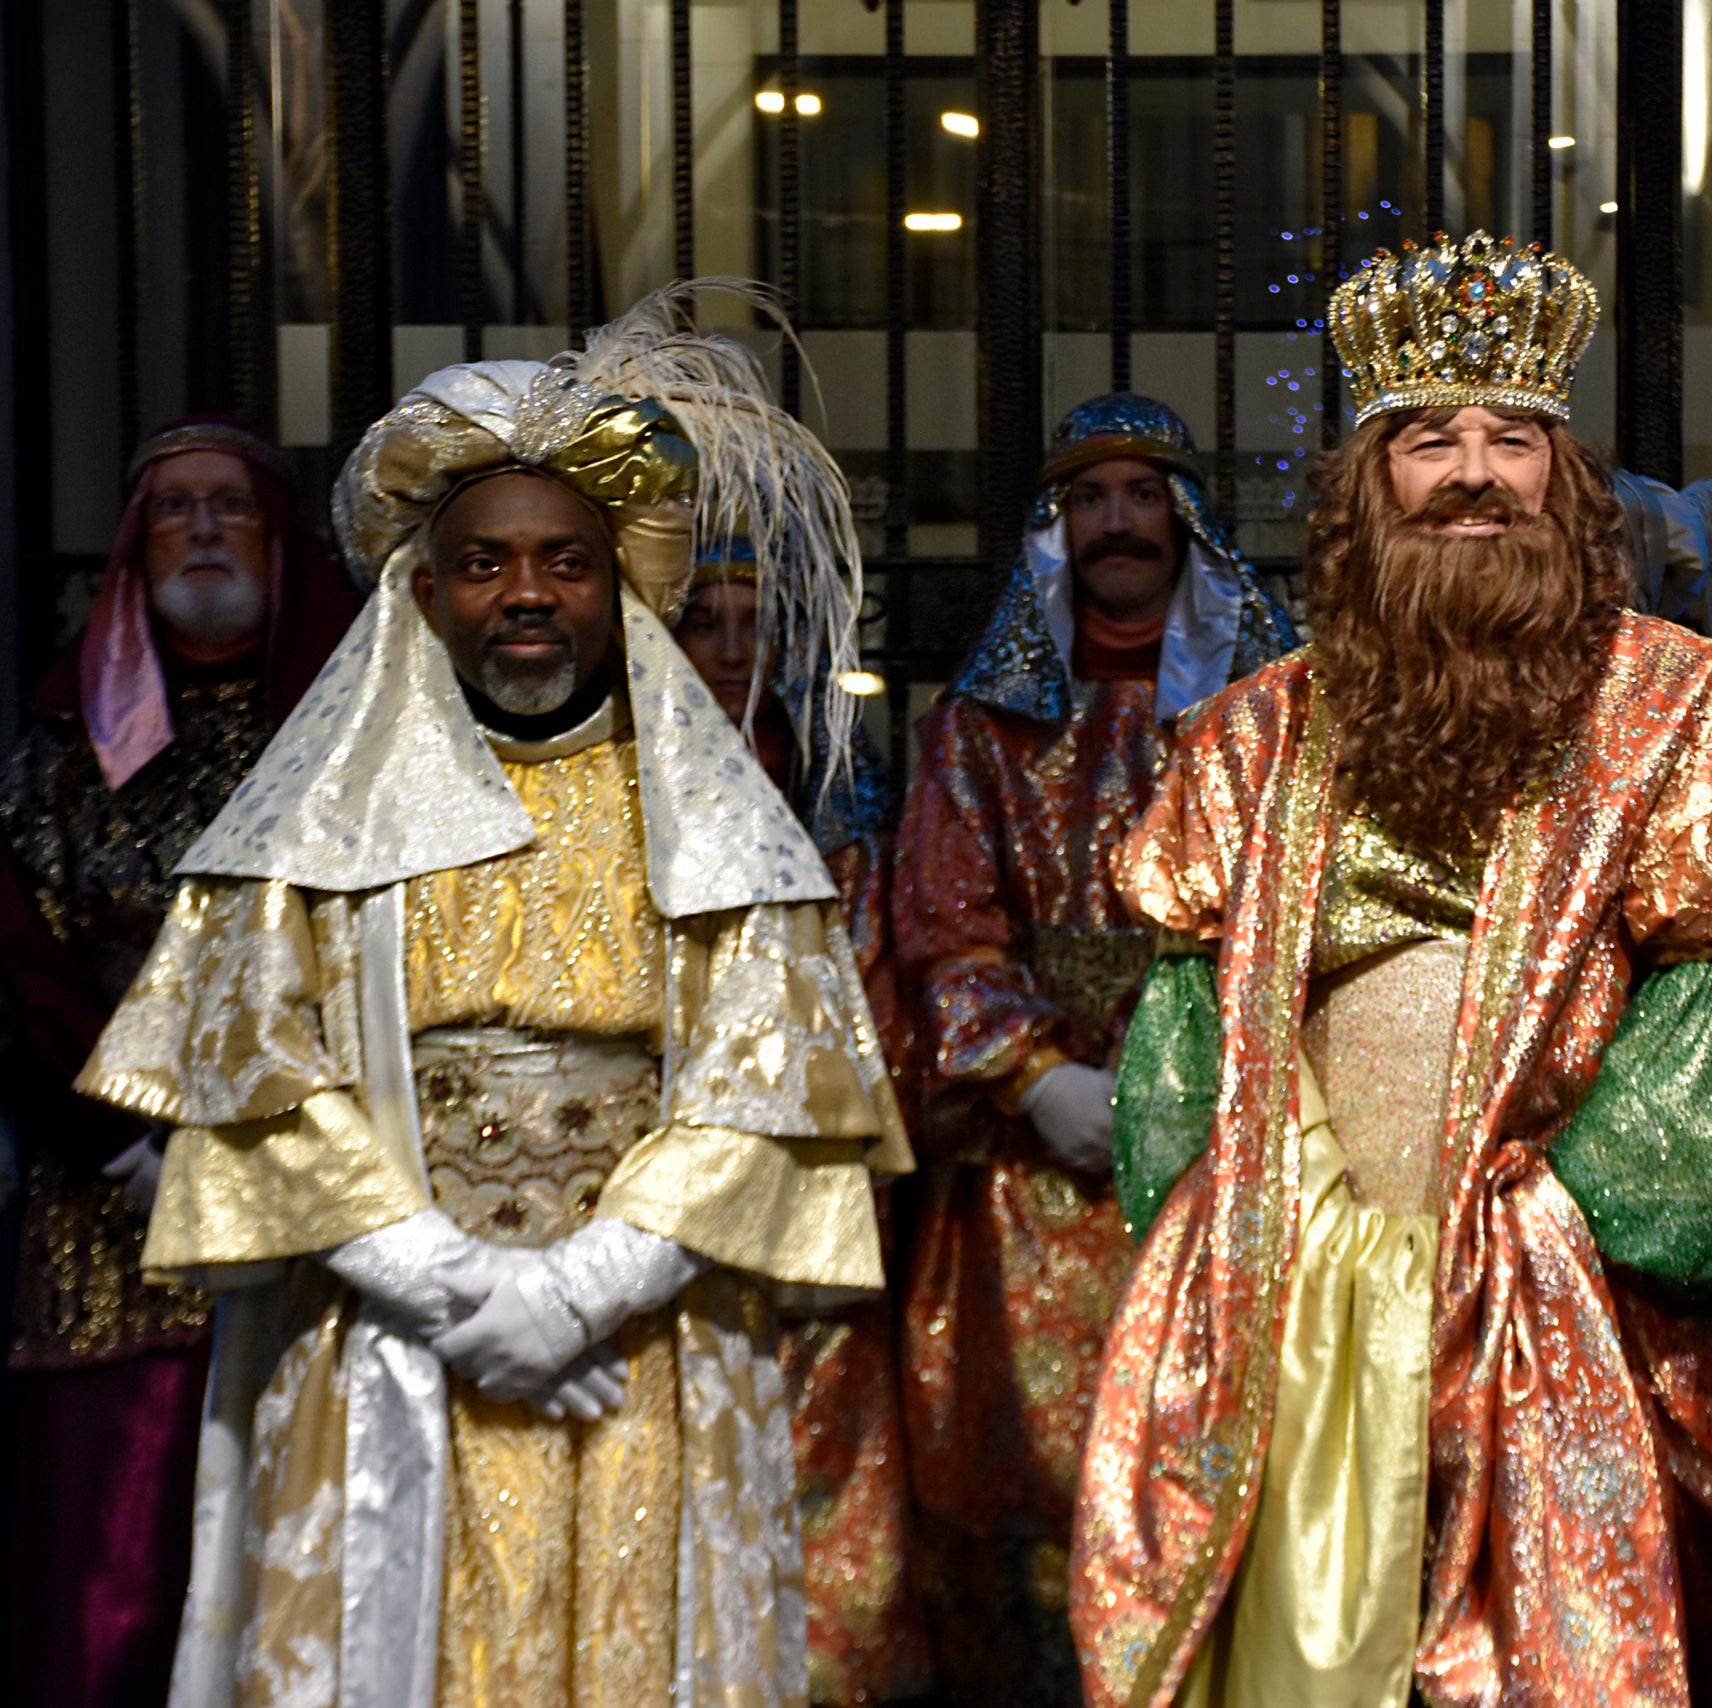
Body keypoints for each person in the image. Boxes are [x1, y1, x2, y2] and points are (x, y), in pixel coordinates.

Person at [77, 289, 912, 1708]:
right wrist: (447, 1284)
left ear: (617, 585)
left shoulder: (714, 826)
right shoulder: (320, 828)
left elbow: (769, 1078)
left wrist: (584, 1289)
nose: (527, 593)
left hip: (637, 1345)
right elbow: (256, 1067)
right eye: (484, 562)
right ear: (424, 589)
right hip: (384, 1339)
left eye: (563, 563)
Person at [1072, 231, 1712, 1708]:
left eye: (1513, 440)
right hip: (1291, 1302)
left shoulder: (1680, 707)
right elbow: (1181, 1033)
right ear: (1371, 489)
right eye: (1429, 442)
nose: (1475, 473)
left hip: (1568, 1312)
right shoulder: (1254, 731)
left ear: (1564, 479)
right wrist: (1275, 1240)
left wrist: (1531, 1240)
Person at [890, 393, 1295, 1702]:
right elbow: (940, 934)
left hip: (1232, 1162)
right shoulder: (980, 731)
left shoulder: (1274, 720)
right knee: (1032, 1497)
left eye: (1142, 491)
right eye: (1088, 498)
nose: (1118, 520)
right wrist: (1037, 1078)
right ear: (1055, 532)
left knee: (1221, 1477)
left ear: (1185, 519)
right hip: (1030, 1185)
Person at [0, 416, 359, 1708]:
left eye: (232, 508)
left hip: (323, 1219)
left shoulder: (353, 746)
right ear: (132, 549)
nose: (204, 531)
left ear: (281, 541)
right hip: (114, 1226)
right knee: (113, 1577)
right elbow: (15, 969)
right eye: (174, 510)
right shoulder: (59, 754)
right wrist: (126, 1143)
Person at [673, 515, 931, 1702]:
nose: (732, 651)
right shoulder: (625, 781)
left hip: (814, 1166)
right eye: (703, 623)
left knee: (824, 1448)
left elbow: (875, 976)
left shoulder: (837, 786)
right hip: (663, 1178)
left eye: (755, 625)